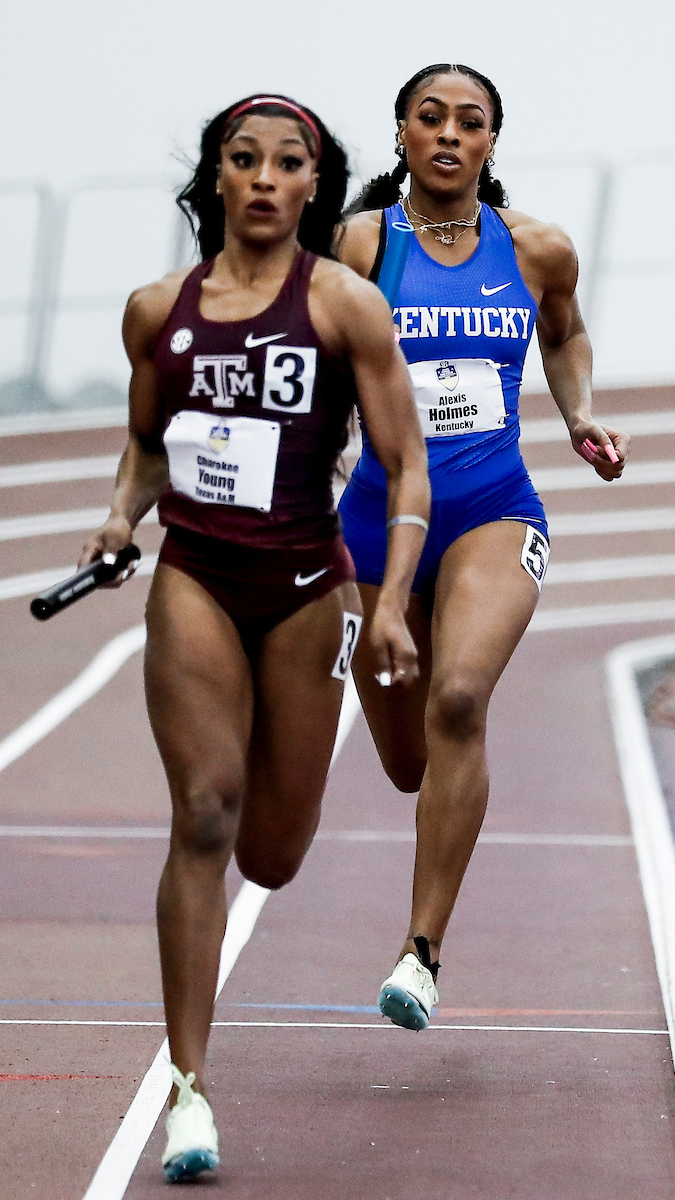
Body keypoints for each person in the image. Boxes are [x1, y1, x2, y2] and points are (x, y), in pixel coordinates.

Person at [79, 94, 429, 1182]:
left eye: (289, 163)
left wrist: (395, 598)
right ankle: (189, 1090)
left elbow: (403, 462)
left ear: (314, 186)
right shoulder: (156, 312)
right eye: (245, 160)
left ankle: (253, 854)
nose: (267, 177)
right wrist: (117, 515)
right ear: (216, 180)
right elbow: (145, 444)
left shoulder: (344, 306)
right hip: (192, 578)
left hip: (300, 590)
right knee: (202, 814)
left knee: (269, 851)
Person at [337, 63, 630, 1031]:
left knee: (459, 697)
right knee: (406, 761)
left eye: (470, 122)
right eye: (431, 119)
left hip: (492, 508)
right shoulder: (361, 244)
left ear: (491, 143)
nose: (450, 135)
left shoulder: (535, 248)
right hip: (375, 520)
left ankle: (419, 952)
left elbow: (565, 336)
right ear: (401, 136)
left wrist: (578, 413)